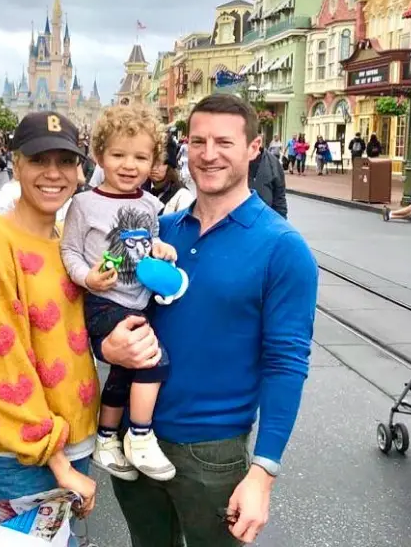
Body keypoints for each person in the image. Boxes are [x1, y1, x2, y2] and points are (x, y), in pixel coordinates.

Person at [96, 94, 317, 546]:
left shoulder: (282, 247)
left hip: (211, 454)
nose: (208, 154)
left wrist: (263, 472)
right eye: (198, 141)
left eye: (224, 142)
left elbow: (286, 364)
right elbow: (107, 307)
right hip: (134, 442)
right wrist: (104, 346)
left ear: (255, 148)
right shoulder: (160, 231)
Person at [0, 111, 99, 544]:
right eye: (39, 160)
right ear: (15, 164)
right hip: (25, 451)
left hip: (70, 441)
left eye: (66, 161)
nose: (54, 174)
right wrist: (59, 465)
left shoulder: (63, 240)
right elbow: (0, 364)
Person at [61, 105, 178, 483]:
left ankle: (107, 438)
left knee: (124, 374)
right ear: (100, 156)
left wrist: (162, 249)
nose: (130, 165)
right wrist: (86, 279)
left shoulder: (149, 204)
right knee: (153, 360)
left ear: (153, 162)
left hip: (139, 299)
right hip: (103, 300)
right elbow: (70, 251)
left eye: (141, 157)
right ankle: (140, 437)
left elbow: (152, 239)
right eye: (119, 155)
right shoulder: (84, 203)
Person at [248, 145, 288, 219]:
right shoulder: (230, 160)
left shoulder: (272, 162)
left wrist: (280, 224)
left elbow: (279, 200)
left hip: (264, 222)